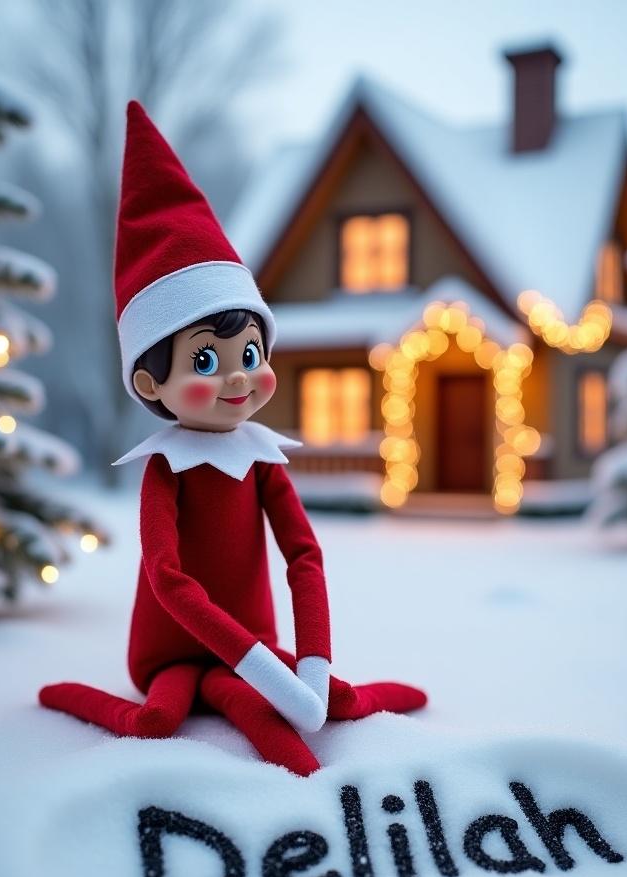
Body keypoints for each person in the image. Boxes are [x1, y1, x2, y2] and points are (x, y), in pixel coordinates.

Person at [39, 102, 427, 775]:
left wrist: (309, 664)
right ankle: (79, 701)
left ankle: (352, 709)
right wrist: (255, 664)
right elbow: (167, 578)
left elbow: (303, 555)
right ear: (150, 382)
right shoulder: (169, 468)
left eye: (251, 354)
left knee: (325, 699)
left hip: (258, 643)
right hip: (168, 652)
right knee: (160, 717)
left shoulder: (262, 461)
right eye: (207, 362)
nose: (238, 380)